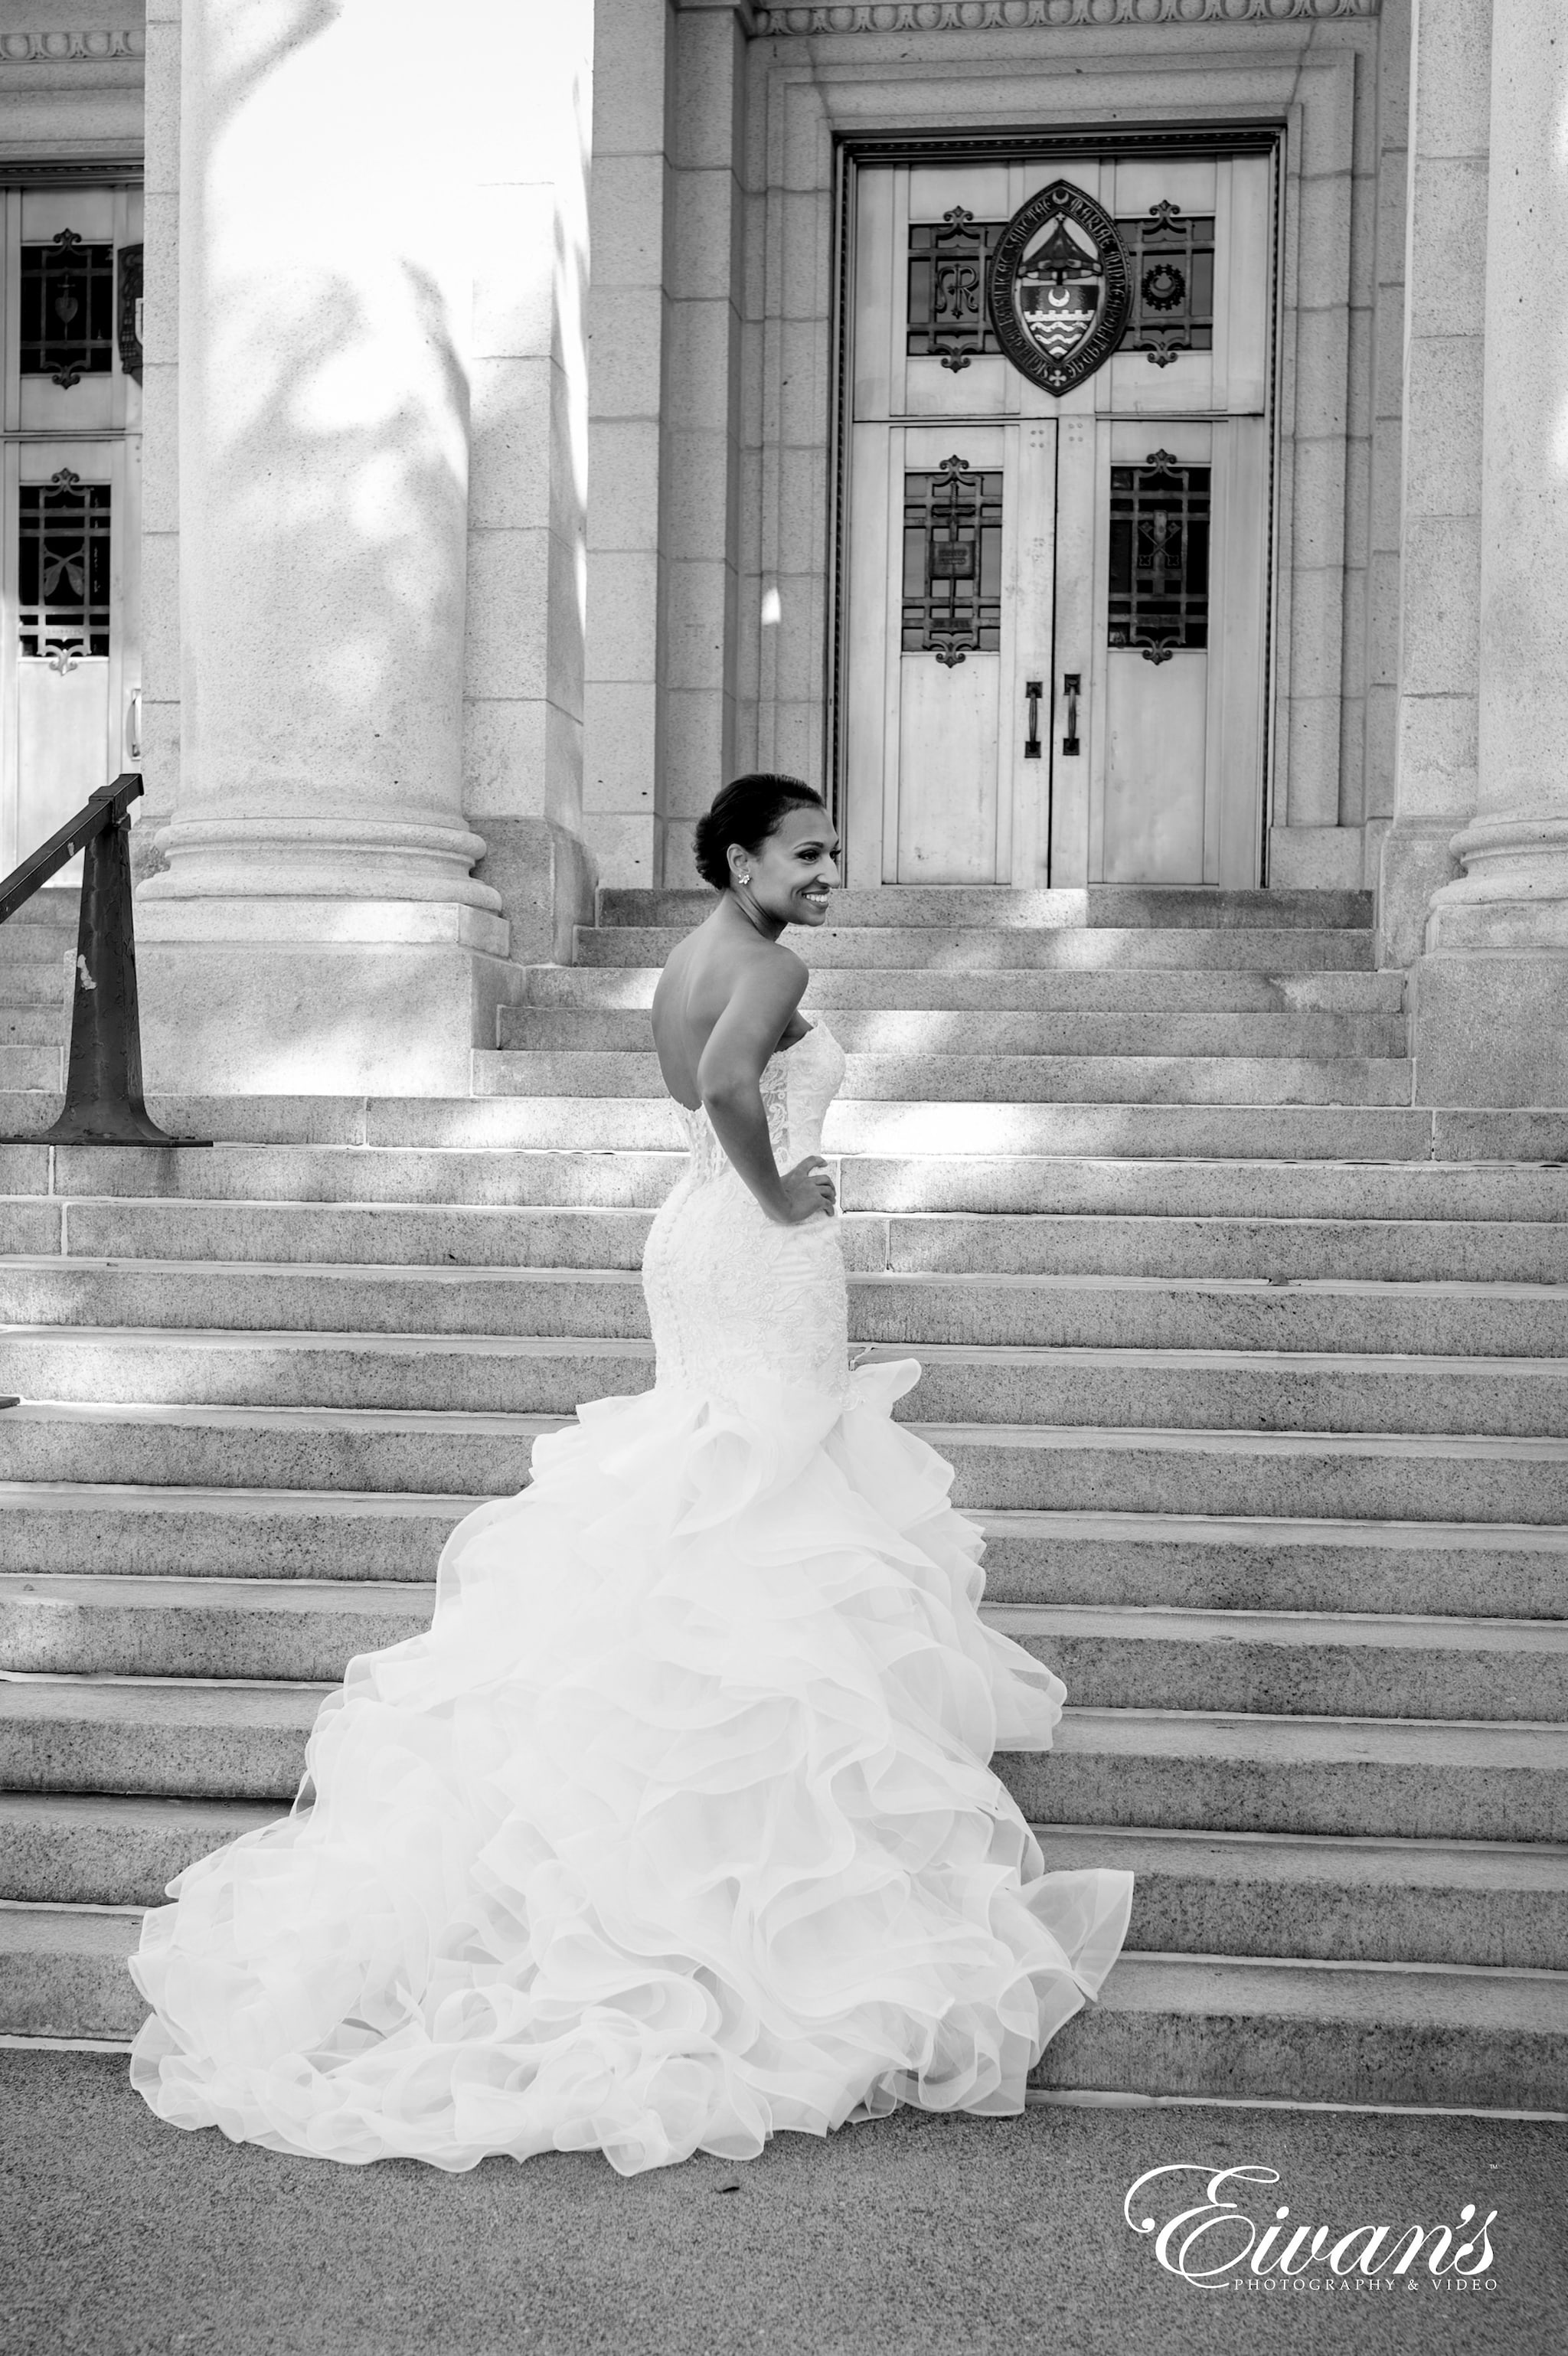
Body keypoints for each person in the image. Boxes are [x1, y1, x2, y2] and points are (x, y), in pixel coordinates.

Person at [129, 773, 1133, 2177]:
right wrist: (785, 1192)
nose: (831, 870)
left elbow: (702, 1078)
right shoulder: (773, 961)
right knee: (766, 1500)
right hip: (756, 1244)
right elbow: (732, 1086)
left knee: (717, 1489)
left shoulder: (688, 957)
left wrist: (755, 1190)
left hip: (692, 1238)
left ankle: (685, 1799)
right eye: (809, 851)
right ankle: (751, 1854)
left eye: (834, 848)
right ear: (741, 859)